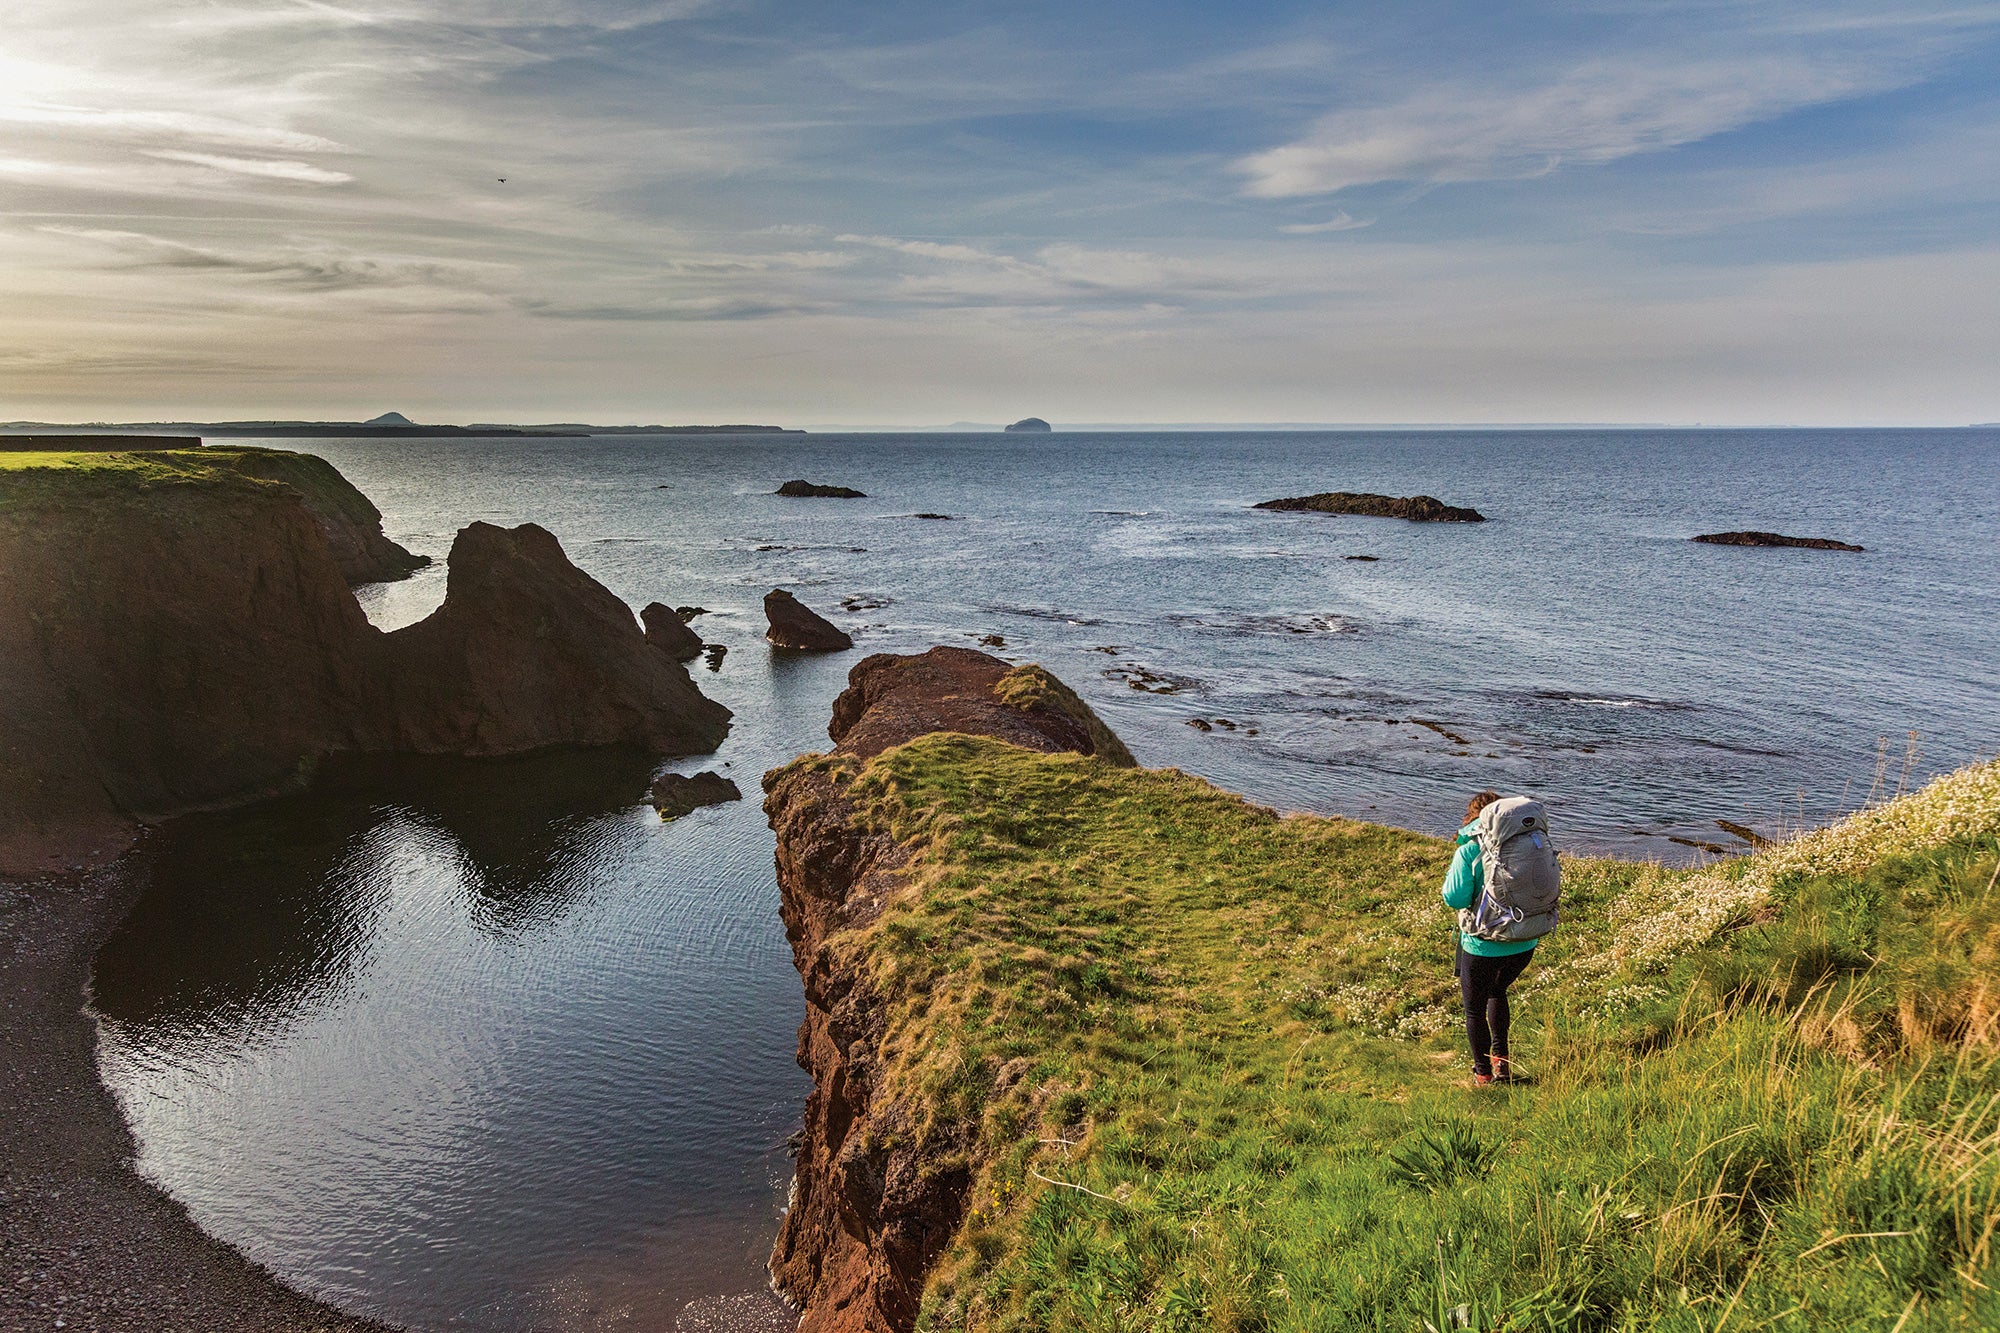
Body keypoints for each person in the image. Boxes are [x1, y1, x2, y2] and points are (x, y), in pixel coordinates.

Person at [1441, 788, 1543, 1085]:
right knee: (1497, 992)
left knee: (1474, 1009)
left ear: (1472, 818)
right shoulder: (1526, 842)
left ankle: (1483, 1075)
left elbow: (1454, 898)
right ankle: (1502, 1064)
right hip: (1525, 940)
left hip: (1483, 945)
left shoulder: (1469, 850)